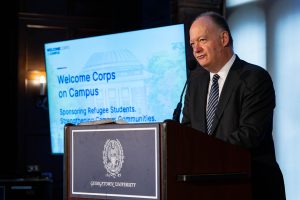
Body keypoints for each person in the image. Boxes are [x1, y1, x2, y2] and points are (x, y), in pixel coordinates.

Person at [182, 11, 286, 200]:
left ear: (224, 38)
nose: (195, 49)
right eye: (192, 43)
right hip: (206, 189)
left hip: (251, 187)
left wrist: (202, 154)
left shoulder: (254, 78)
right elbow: (187, 130)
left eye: (202, 40)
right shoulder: (195, 82)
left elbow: (250, 135)